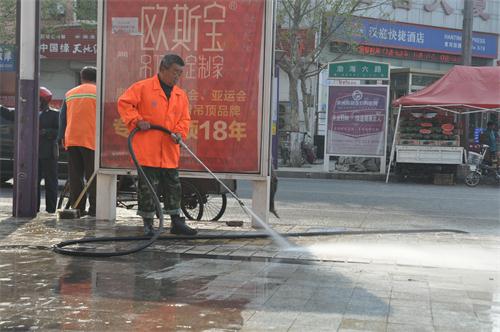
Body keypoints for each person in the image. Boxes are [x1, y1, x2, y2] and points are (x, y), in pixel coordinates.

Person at [117, 54, 196, 236]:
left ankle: (176, 222)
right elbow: (124, 103)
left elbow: (185, 119)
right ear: (163, 69)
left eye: (180, 73)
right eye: (175, 72)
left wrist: (179, 133)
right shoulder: (143, 88)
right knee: (147, 188)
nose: (177, 76)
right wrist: (137, 120)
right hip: (147, 150)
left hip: (169, 149)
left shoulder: (180, 95)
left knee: (173, 186)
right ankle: (148, 224)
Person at [0, 87, 59, 213]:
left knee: (51, 182)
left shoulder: (54, 114)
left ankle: (51, 210)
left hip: (48, 153)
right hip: (31, 154)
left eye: (36, 100)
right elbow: (8, 113)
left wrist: (46, 132)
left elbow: (59, 131)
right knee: (33, 182)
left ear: (43, 101)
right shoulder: (25, 112)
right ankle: (34, 208)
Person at [58, 66, 97, 217]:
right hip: (91, 140)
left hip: (72, 140)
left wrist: (62, 138)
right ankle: (94, 209)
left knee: (75, 176)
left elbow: (62, 118)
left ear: (82, 78)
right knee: (93, 176)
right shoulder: (99, 93)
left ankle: (78, 208)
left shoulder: (70, 93)